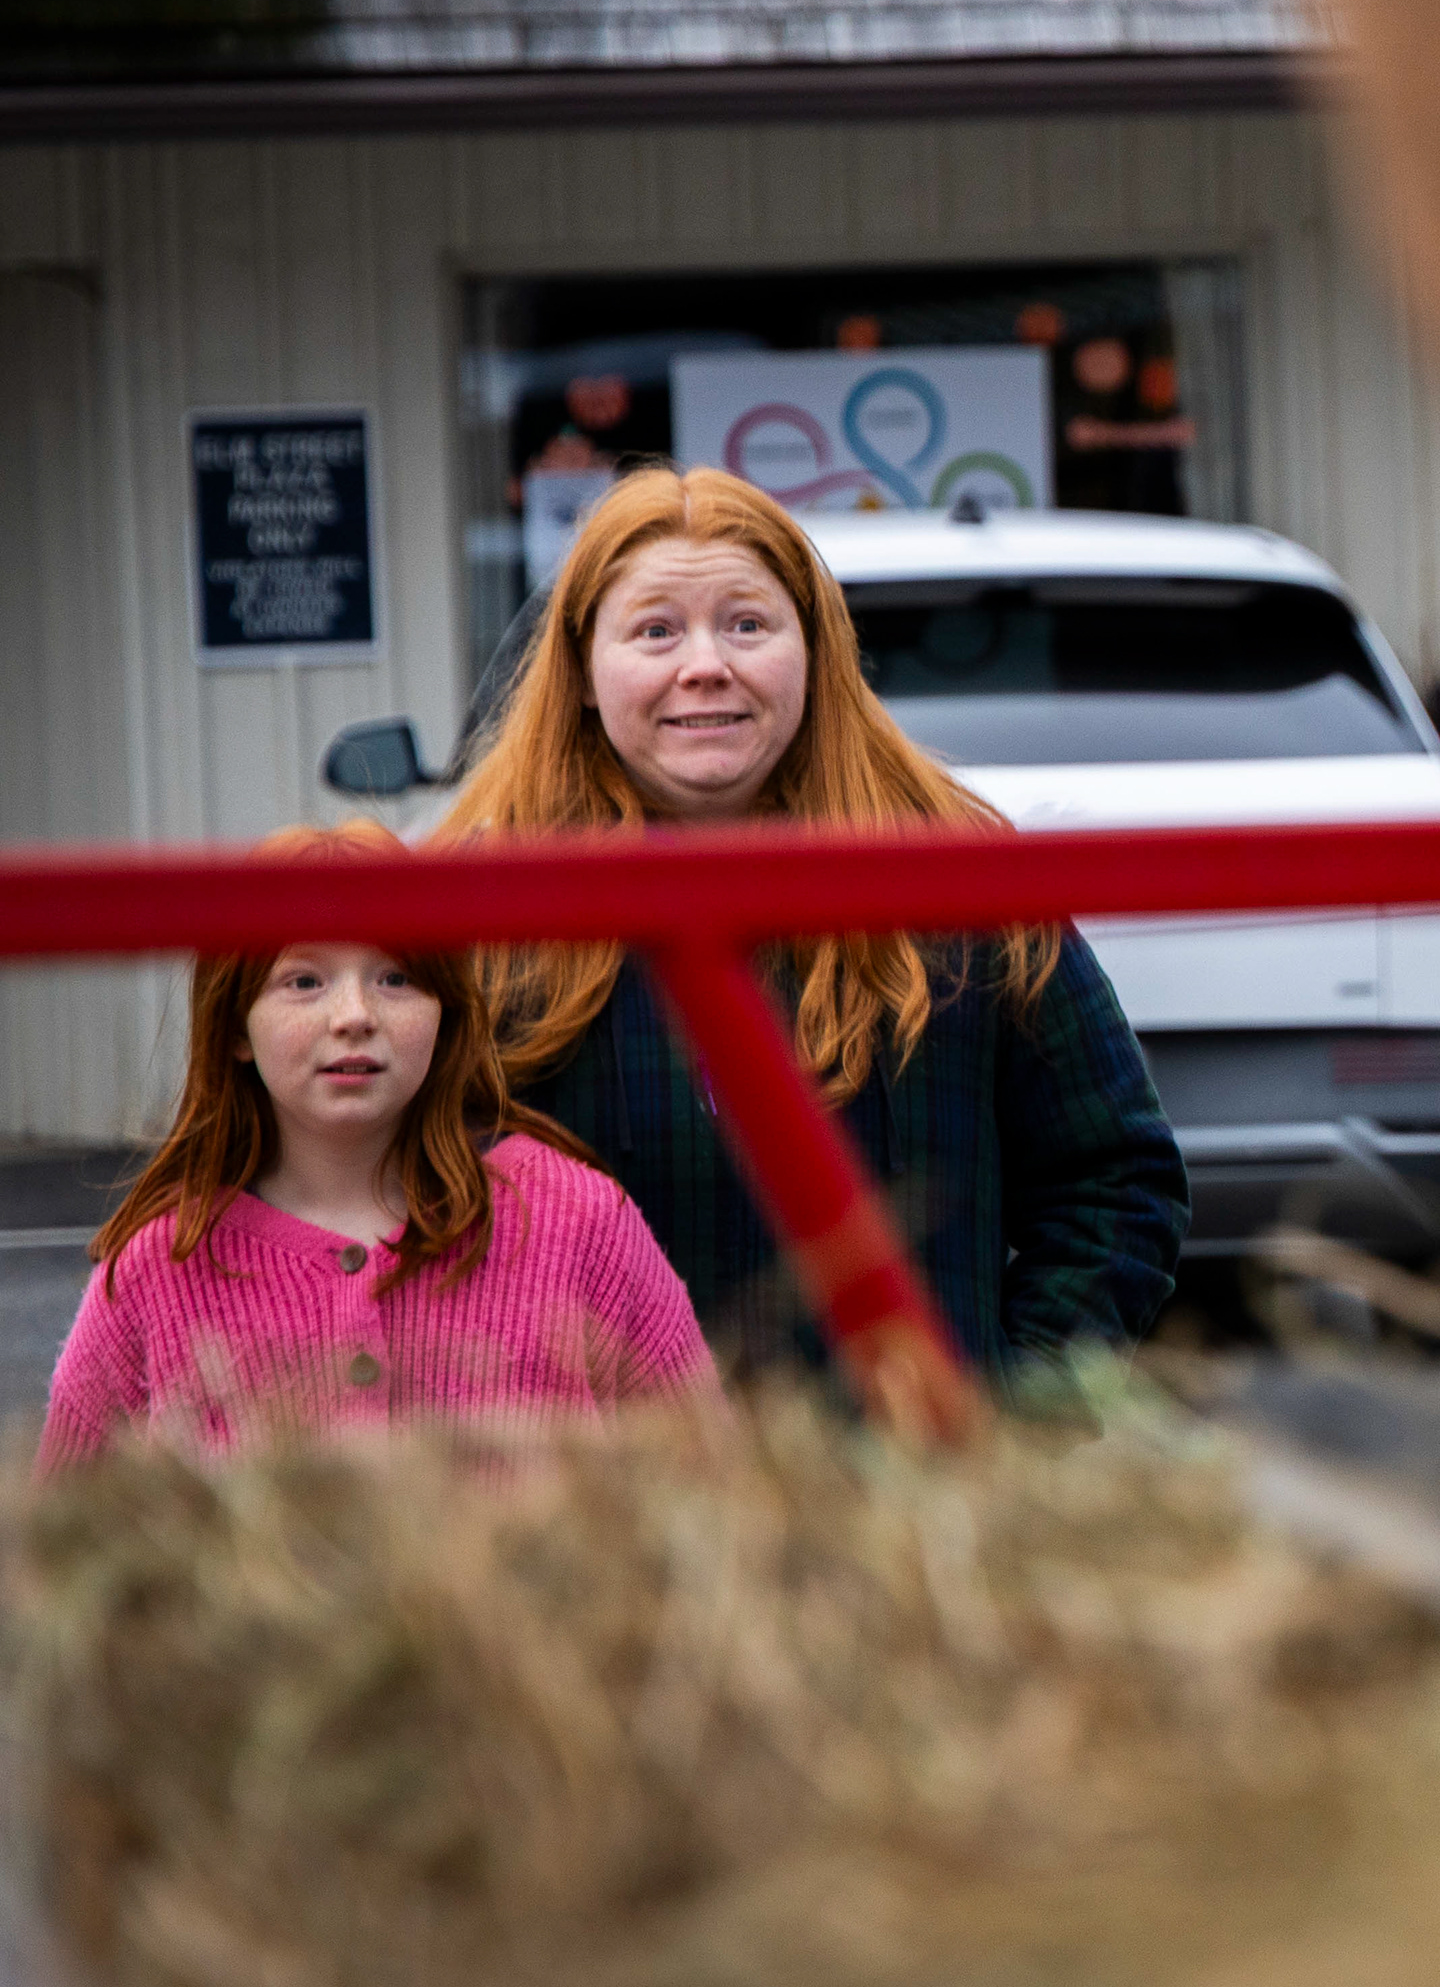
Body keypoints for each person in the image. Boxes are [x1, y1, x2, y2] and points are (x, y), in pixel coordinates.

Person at [432, 466, 1186, 1386]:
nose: (705, 664)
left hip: (906, 1500)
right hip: (604, 1502)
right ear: (584, 672)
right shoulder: (475, 917)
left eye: (747, 624)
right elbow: (390, 1200)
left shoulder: (964, 885)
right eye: (656, 630)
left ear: (815, 652)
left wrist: (1013, 1417)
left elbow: (1114, 1181)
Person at [43, 828, 719, 1471]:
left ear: (445, 1013)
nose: (355, 1015)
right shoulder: (157, 1270)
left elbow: (711, 1480)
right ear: (235, 1029)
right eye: (303, 981)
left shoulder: (579, 1222)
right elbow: (60, 1553)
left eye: (395, 978)